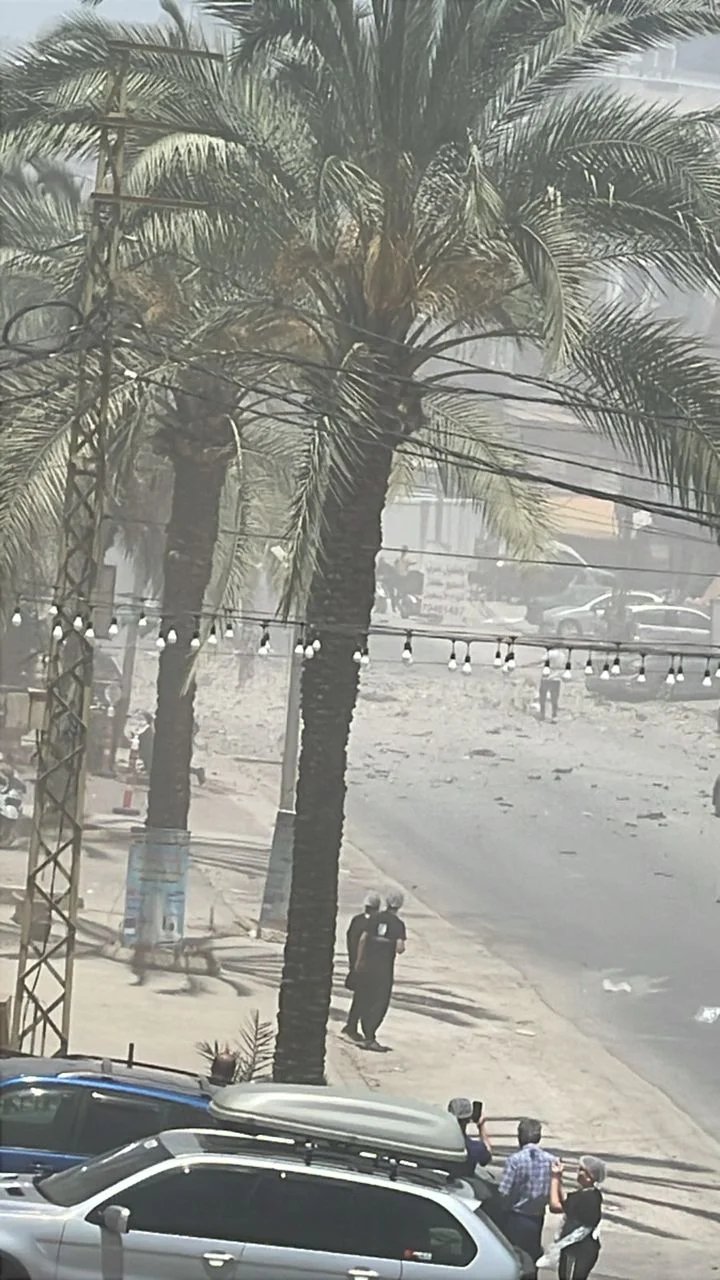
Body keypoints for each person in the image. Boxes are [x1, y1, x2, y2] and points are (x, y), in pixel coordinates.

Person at [498, 1118, 556, 1274]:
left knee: (514, 1258)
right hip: (537, 1217)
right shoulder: (551, 1161)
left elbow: (503, 1191)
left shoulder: (515, 1161)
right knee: (532, 1256)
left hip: (516, 1217)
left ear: (520, 1137)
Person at [354, 890, 407, 1051]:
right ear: (399, 905)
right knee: (380, 1002)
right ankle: (370, 1037)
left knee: (366, 998)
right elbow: (400, 948)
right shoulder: (398, 924)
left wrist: (359, 960)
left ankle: (366, 1034)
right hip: (384, 969)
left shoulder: (375, 918)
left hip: (368, 966)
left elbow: (363, 939)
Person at [540, 1155, 606, 1279]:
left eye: (582, 1170)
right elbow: (566, 1199)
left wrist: (554, 1178)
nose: (578, 1172)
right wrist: (559, 1178)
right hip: (583, 1248)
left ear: (590, 1176)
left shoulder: (587, 1198)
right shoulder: (591, 1194)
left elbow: (555, 1206)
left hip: (577, 1250)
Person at [341, 892, 381, 1042]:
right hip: (366, 966)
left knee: (359, 996)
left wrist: (352, 961)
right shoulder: (374, 924)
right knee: (363, 998)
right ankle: (352, 1026)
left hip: (354, 963)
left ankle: (352, 1025)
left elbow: (350, 939)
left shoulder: (356, 920)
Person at [447, 1097, 492, 1173]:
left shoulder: (438, 1142)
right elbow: (487, 1157)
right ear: (469, 1119)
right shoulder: (476, 1148)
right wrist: (481, 1127)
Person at [539, 650, 564, 722]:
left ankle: (542, 714)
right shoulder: (562, 655)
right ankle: (554, 716)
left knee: (542, 697)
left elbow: (541, 659)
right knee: (554, 699)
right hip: (556, 679)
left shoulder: (550, 653)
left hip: (546, 678)